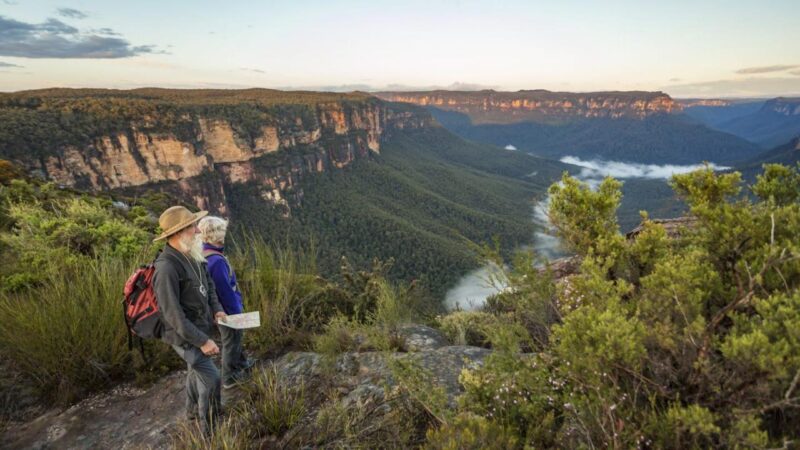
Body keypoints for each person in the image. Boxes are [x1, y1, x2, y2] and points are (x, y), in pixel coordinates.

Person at [152, 206, 227, 435]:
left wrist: (217, 310)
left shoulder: (192, 253)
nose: (198, 231)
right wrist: (203, 341)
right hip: (184, 336)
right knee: (211, 378)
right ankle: (210, 431)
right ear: (178, 233)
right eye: (192, 227)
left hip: (199, 327)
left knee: (195, 371)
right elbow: (173, 315)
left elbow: (209, 284)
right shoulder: (166, 268)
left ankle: (192, 412)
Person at [198, 216, 255, 389]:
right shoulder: (216, 261)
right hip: (227, 310)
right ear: (217, 234)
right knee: (231, 340)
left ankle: (242, 363)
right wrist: (236, 312)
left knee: (236, 337)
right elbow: (224, 291)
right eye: (222, 230)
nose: (225, 234)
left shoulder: (204, 254)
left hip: (218, 309)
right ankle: (229, 377)